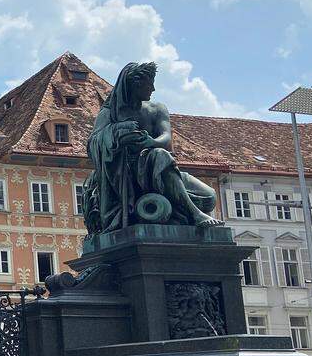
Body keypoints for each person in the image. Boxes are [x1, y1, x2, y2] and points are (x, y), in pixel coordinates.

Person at [84, 62, 220, 236]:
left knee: (209, 198)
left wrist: (150, 142)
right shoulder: (110, 113)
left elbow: (166, 138)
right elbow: (93, 143)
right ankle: (195, 213)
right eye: (150, 84)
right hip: (128, 174)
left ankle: (187, 209)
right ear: (135, 84)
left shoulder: (157, 109)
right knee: (159, 155)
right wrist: (117, 132)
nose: (153, 88)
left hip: (165, 169)